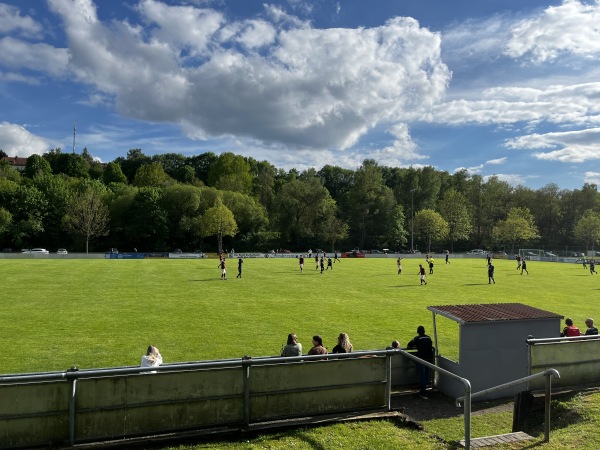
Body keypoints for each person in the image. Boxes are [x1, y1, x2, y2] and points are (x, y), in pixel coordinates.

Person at [407, 326, 434, 399]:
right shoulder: (428, 338)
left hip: (422, 359)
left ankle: (423, 392)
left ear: (417, 332)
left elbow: (409, 345)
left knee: (423, 375)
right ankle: (424, 388)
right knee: (426, 375)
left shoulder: (417, 338)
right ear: (424, 331)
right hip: (429, 359)